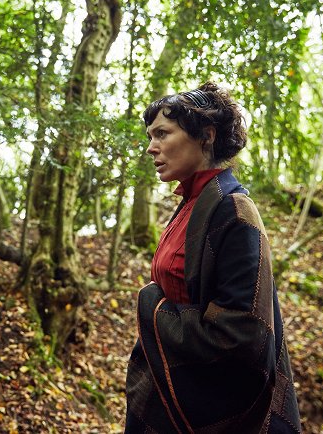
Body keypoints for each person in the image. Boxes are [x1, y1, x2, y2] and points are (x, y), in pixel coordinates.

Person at [124, 82, 301, 433]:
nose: (150, 148)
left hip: (206, 408)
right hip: (163, 397)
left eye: (162, 133)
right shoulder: (191, 205)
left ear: (205, 135)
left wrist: (152, 307)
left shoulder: (234, 211)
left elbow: (240, 335)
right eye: (149, 136)